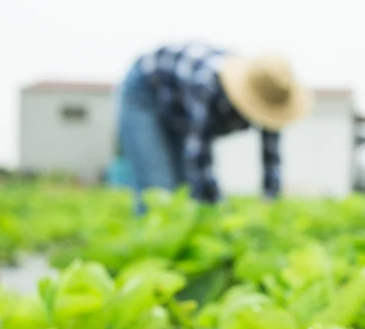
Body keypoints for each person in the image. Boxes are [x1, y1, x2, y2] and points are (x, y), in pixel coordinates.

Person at [117, 43, 311, 212]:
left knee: (183, 189)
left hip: (179, 107)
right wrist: (219, 210)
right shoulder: (207, 85)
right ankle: (152, 247)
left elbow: (272, 160)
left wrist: (270, 203)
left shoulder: (270, 93)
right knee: (158, 189)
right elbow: (197, 155)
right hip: (144, 93)